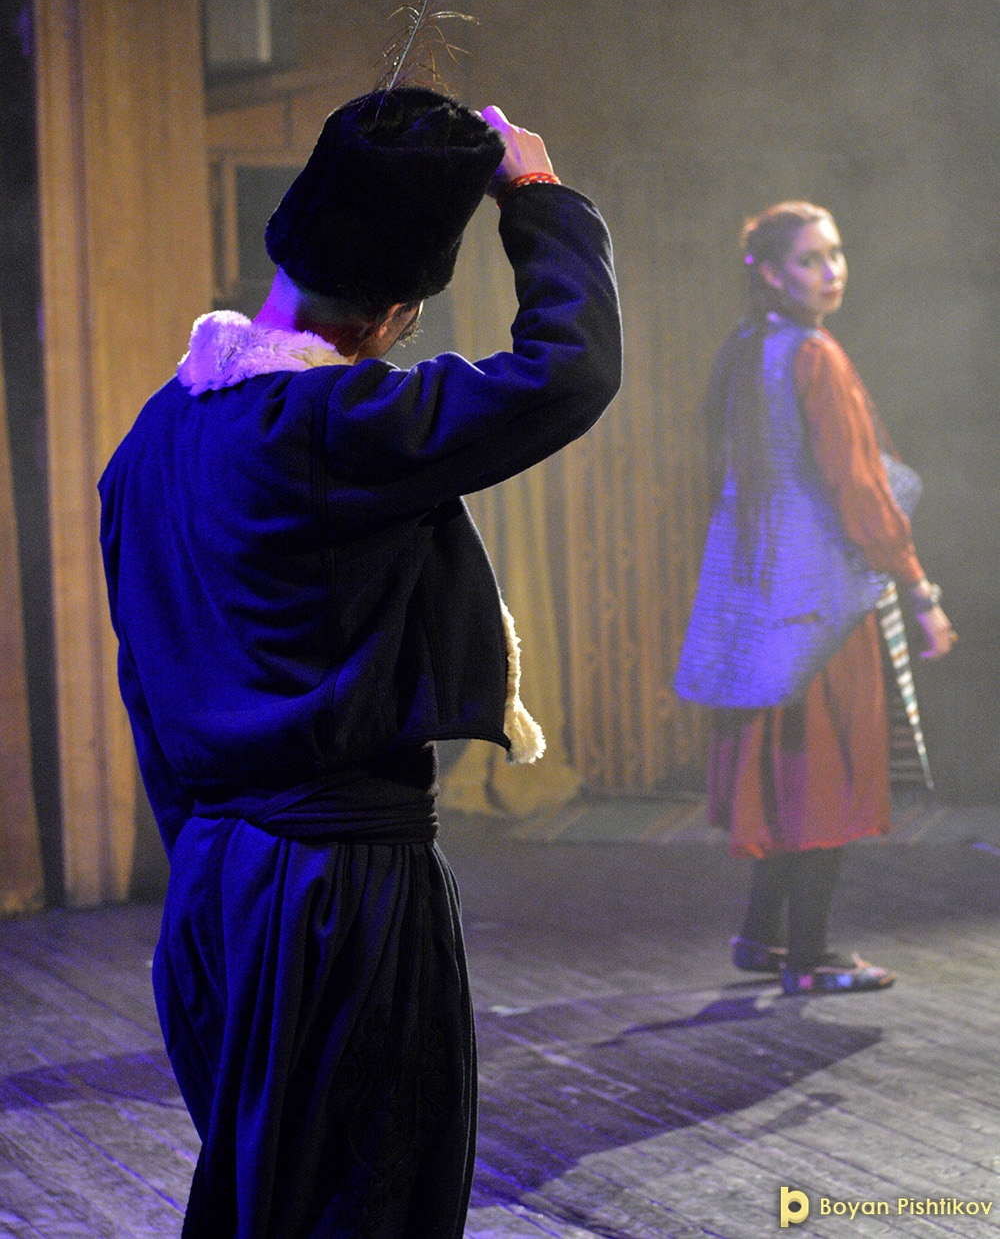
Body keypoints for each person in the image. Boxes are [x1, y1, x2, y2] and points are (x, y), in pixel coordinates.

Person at [98, 86, 621, 1237]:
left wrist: (212, 866)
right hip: (338, 889)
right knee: (367, 1204)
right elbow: (568, 371)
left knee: (269, 1197)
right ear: (394, 313)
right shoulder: (326, 422)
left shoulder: (151, 437)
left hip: (214, 881)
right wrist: (536, 194)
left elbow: (149, 687)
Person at [674, 201, 955, 996]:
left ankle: (763, 936)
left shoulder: (747, 348)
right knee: (822, 770)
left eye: (835, 253)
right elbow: (859, 490)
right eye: (810, 259)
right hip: (819, 603)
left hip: (762, 597)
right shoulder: (813, 355)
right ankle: (813, 955)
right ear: (769, 272)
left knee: (786, 769)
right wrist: (920, 589)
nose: (831, 271)